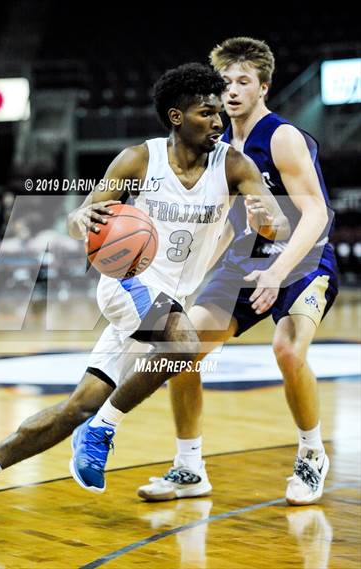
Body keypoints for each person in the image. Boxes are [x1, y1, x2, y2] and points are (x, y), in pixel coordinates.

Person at [0, 62, 288, 524]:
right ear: (176, 116)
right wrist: (82, 220)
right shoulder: (139, 160)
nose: (218, 122)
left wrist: (269, 218)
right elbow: (80, 216)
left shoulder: (233, 164)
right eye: (206, 113)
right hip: (128, 282)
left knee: (74, 408)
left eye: (218, 114)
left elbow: (276, 220)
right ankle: (104, 427)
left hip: (170, 300)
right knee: (184, 346)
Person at [137, 37, 338, 506]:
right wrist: (185, 281)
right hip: (248, 257)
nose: (231, 91)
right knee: (177, 347)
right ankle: (189, 468)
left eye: (243, 81)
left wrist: (277, 272)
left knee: (287, 349)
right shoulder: (221, 149)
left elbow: (315, 214)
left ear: (262, 87)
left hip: (305, 260)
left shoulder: (282, 136)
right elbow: (227, 229)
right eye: (224, 82)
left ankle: (312, 454)